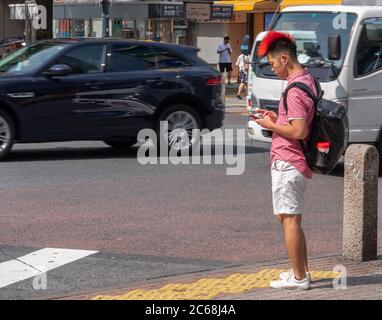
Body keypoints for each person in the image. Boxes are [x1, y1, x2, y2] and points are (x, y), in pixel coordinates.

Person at [254, 31, 318, 290]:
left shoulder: (294, 89)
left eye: (272, 63)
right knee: (290, 219)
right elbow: (295, 122)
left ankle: (300, 278)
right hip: (296, 161)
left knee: (289, 219)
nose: (273, 68)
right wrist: (277, 118)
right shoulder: (308, 79)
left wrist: (271, 125)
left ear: (284, 58)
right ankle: (299, 272)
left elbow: (300, 131)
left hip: (288, 160)